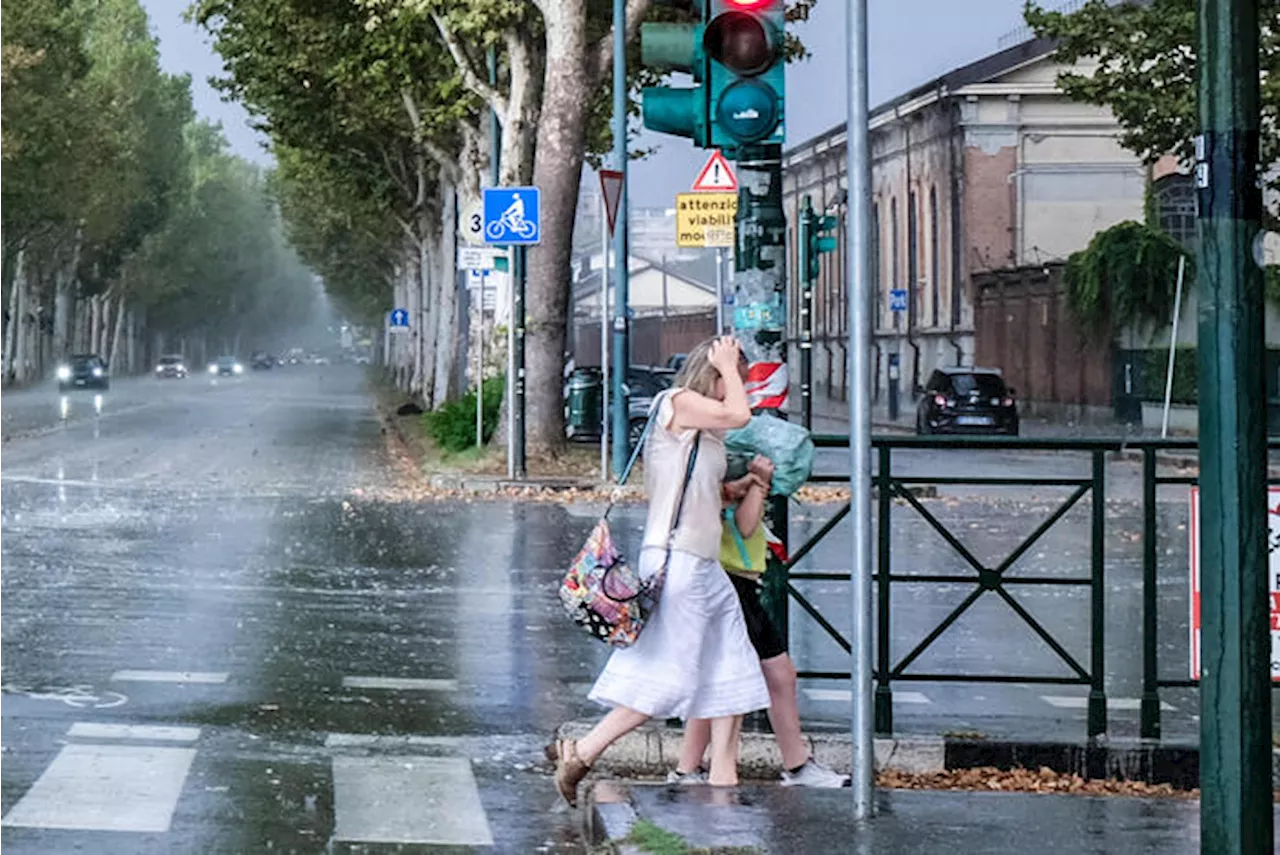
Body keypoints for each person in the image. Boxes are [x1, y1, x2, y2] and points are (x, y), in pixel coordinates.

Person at [547, 336, 770, 806]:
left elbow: (693, 488)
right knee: (669, 679)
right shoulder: (677, 402)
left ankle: (723, 781)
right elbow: (739, 414)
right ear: (710, 370)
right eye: (735, 376)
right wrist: (729, 364)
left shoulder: (704, 429)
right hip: (679, 560)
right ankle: (583, 753)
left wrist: (738, 487)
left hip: (703, 564)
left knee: (735, 664)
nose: (740, 385)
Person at [668, 455, 851, 788]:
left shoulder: (710, 458)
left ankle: (689, 770)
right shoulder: (720, 464)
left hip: (736, 582)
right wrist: (760, 484)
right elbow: (744, 526)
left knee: (753, 676)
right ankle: (790, 766)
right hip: (730, 581)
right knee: (754, 677)